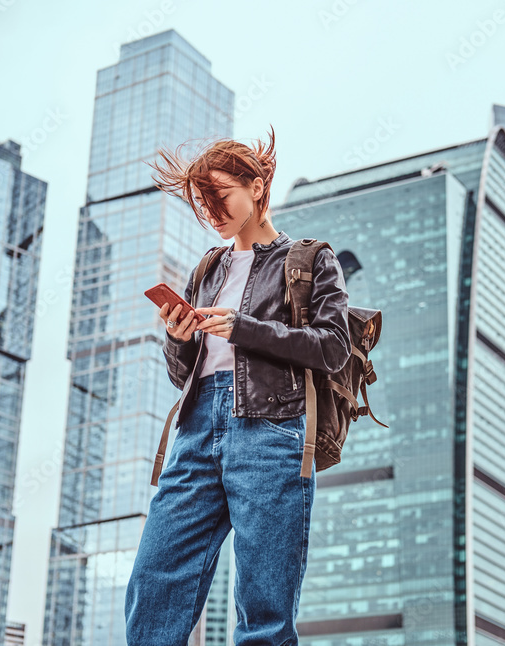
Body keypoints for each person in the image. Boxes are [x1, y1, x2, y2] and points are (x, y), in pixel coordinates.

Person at [125, 126, 352, 645]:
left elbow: (332, 348)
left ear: (256, 186)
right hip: (196, 429)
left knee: (264, 609)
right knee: (153, 586)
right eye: (201, 203)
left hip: (272, 431)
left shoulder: (311, 259)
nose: (210, 211)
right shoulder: (208, 267)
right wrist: (179, 339)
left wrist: (243, 328)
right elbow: (181, 374)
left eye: (219, 196)